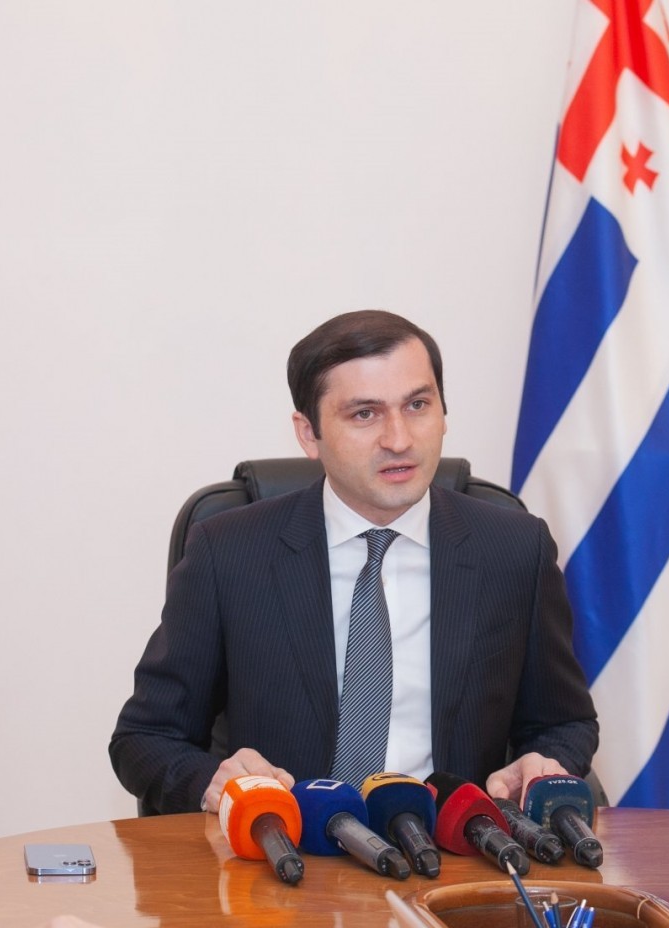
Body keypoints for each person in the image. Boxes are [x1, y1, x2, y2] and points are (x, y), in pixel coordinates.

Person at [110, 310, 597, 815]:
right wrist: (213, 782)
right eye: (365, 414)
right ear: (308, 433)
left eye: (417, 405)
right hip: (285, 846)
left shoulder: (514, 549)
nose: (399, 439)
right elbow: (145, 738)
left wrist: (542, 764)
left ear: (443, 414)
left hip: (452, 849)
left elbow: (564, 722)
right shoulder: (229, 552)